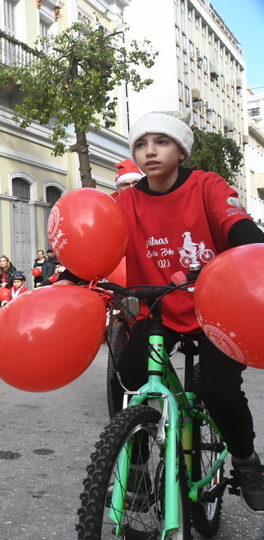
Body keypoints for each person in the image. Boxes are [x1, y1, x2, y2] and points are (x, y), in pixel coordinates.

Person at [67, 111, 264, 513]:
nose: (149, 151)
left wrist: (255, 249)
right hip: (159, 310)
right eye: (141, 144)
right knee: (128, 377)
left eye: (161, 142)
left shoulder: (206, 185)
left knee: (220, 391)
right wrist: (69, 278)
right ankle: (137, 467)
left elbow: (238, 224)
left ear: (181, 149)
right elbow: (97, 244)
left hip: (218, 310)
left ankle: (246, 461)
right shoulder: (126, 201)